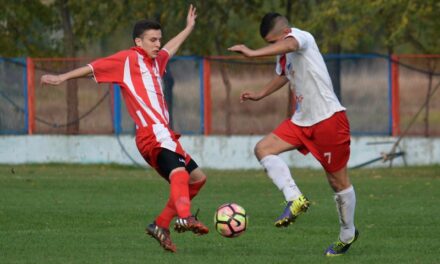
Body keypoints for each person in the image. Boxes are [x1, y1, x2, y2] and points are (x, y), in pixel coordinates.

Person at [41, 5, 208, 253]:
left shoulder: (156, 61)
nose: (158, 44)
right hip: (152, 132)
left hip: (162, 133)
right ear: (138, 41)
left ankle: (161, 225)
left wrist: (188, 28)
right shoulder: (127, 59)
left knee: (197, 179)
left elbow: (171, 48)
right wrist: (62, 77)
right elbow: (92, 67)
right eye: (152, 40)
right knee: (180, 174)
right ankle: (184, 216)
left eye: (159, 39)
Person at [228, 13, 358, 256]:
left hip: (328, 120)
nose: (273, 47)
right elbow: (283, 76)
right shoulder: (283, 52)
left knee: (337, 182)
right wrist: (260, 94)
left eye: (273, 41)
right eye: (269, 44)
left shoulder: (300, 37)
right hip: (301, 121)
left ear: (285, 31)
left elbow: (289, 43)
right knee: (263, 149)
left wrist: (253, 53)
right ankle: (295, 198)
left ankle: (347, 233)